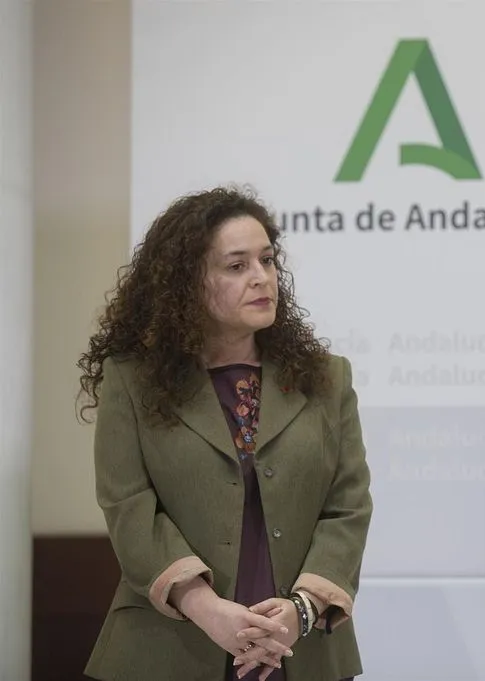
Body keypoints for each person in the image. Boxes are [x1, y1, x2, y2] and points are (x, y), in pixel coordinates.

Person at [77, 186, 373, 681]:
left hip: (301, 651)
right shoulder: (132, 381)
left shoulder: (327, 378)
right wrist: (207, 608)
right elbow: (128, 506)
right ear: (187, 284)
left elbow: (349, 505)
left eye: (267, 260)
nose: (262, 278)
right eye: (237, 266)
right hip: (166, 649)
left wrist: (299, 612)